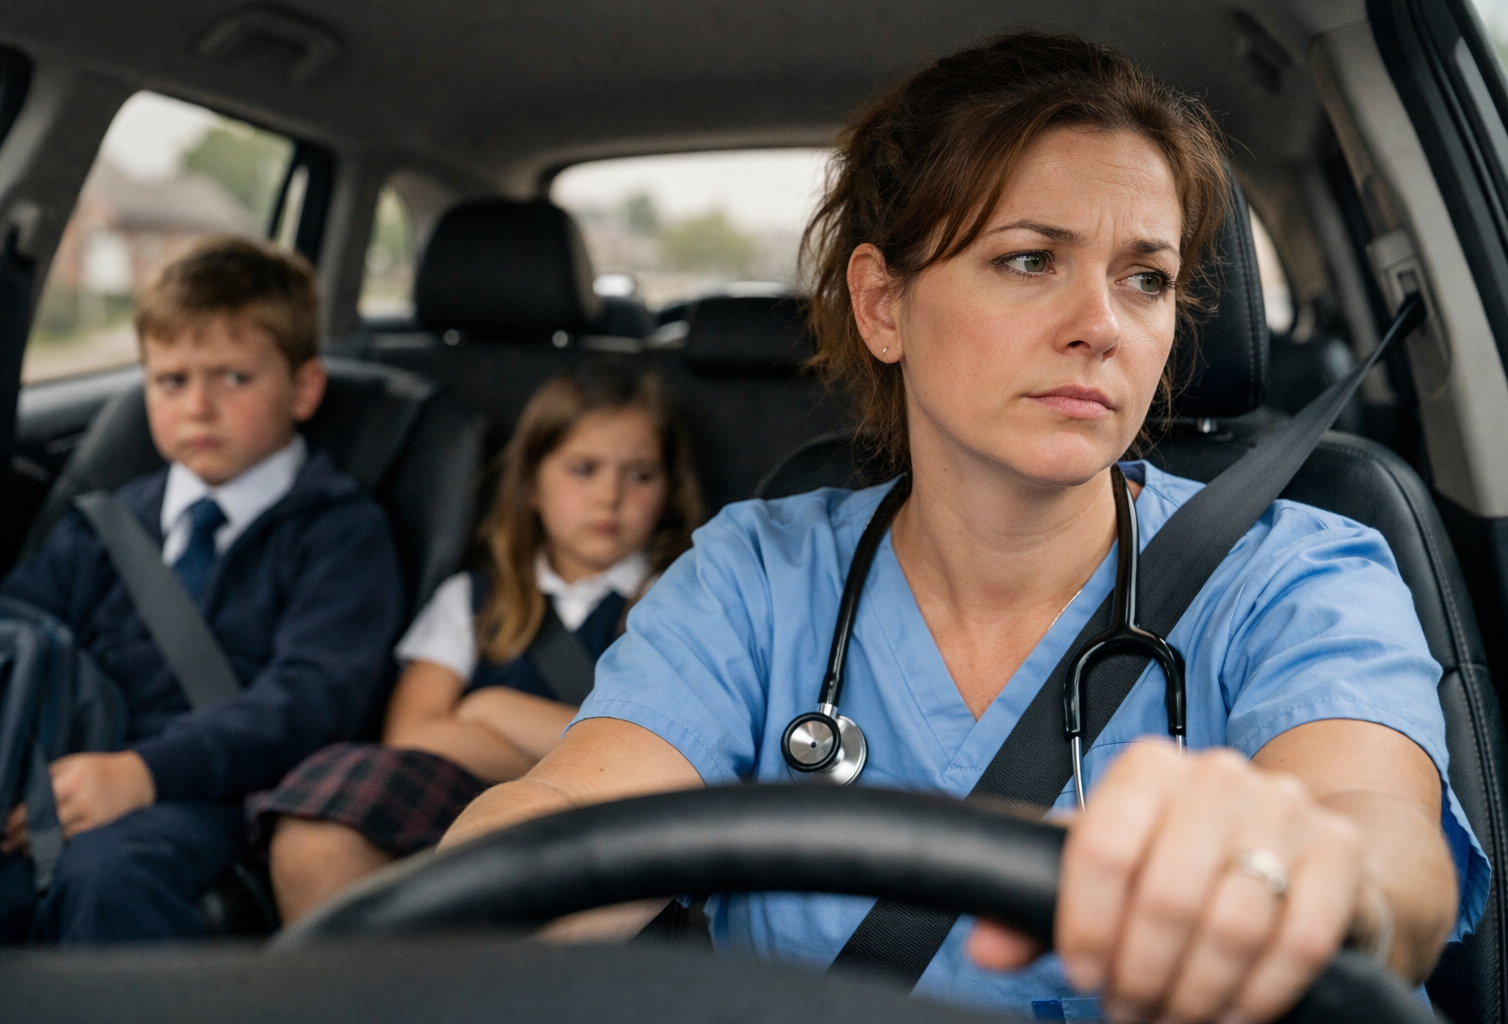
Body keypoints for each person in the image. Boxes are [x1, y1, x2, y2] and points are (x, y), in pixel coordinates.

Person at [438, 32, 1488, 1023]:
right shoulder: (755, 575)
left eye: (1147, 278)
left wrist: (1297, 871)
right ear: (883, 304)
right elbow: (576, 810)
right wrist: (474, 895)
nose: (1103, 325)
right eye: (1031, 259)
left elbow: (1379, 840)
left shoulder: (1299, 571)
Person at [0, 236, 406, 944]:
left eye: (232, 378)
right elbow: (24, 638)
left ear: (303, 389)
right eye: (170, 381)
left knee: (108, 876)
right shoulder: (105, 524)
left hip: (227, 785)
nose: (197, 408)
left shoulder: (340, 532)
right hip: (81, 763)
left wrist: (144, 773)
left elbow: (313, 699)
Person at [254, 361, 703, 924]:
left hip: (605, 821)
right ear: (532, 482)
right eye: (583, 469)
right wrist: (545, 747)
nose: (609, 496)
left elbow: (667, 757)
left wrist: (493, 712)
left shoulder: (681, 600)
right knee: (325, 822)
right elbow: (415, 735)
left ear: (669, 488)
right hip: (451, 808)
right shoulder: (473, 600)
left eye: (639, 475)